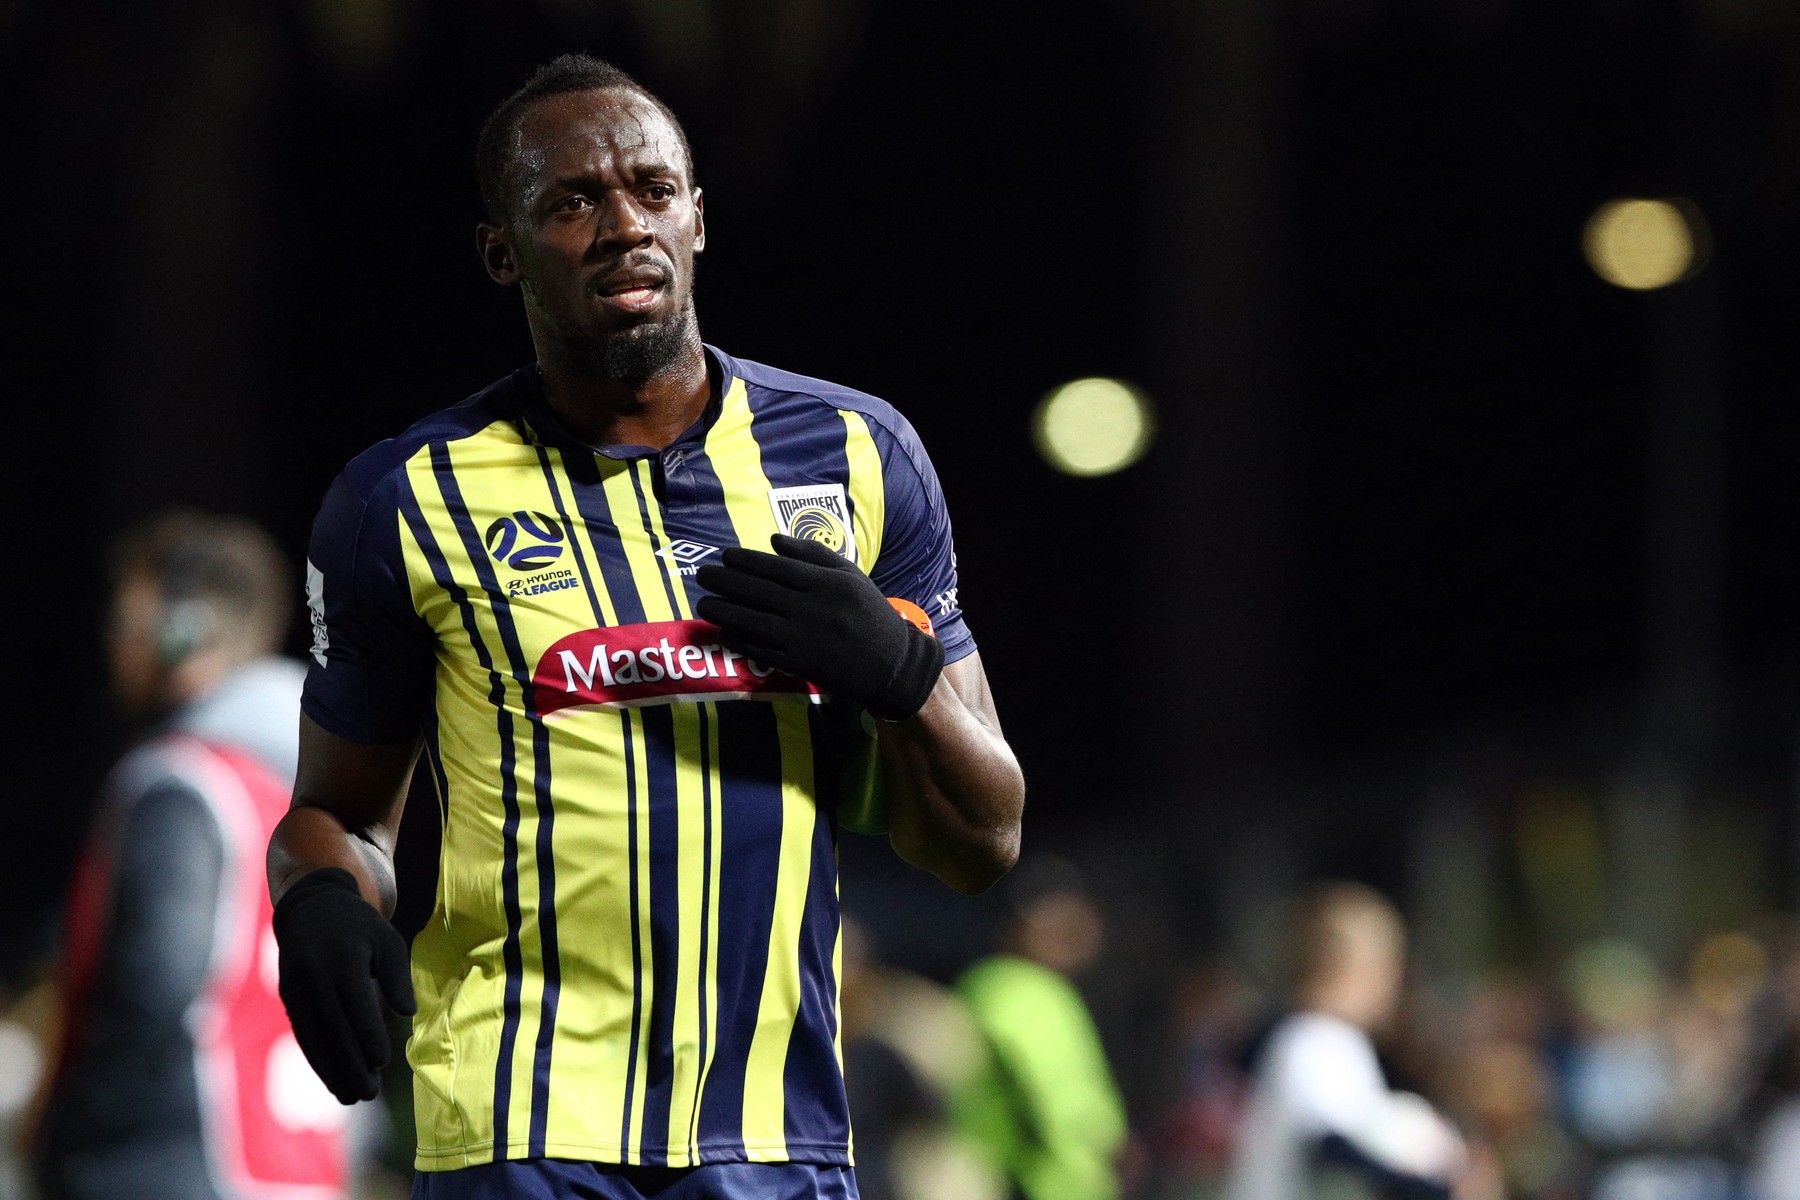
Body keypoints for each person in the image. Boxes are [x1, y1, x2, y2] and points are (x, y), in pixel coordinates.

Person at [268, 53, 1026, 1200]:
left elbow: (982, 842)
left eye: (653, 191)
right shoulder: (402, 500)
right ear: (500, 252)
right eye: (572, 202)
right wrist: (317, 898)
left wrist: (902, 673)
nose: (624, 224)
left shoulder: (861, 456)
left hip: (775, 1132)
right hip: (518, 1125)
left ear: (698, 222)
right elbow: (333, 813)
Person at [36, 512, 350, 1200]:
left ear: (186, 630)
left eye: (129, 621)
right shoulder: (318, 800)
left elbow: (158, 982)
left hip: (171, 1161)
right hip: (294, 1171)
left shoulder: (183, 783)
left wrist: (78, 1145)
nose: (117, 644)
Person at [1223, 882, 1470, 1200]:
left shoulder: (1313, 1039)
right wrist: (1429, 1182)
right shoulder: (1318, 1042)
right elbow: (1333, 1147)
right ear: (1354, 969)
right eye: (1390, 969)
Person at [952, 859, 1127, 1200]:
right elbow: (1046, 1095)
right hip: (1034, 1181)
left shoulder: (1012, 986)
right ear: (1017, 924)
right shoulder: (1015, 986)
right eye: (1053, 919)